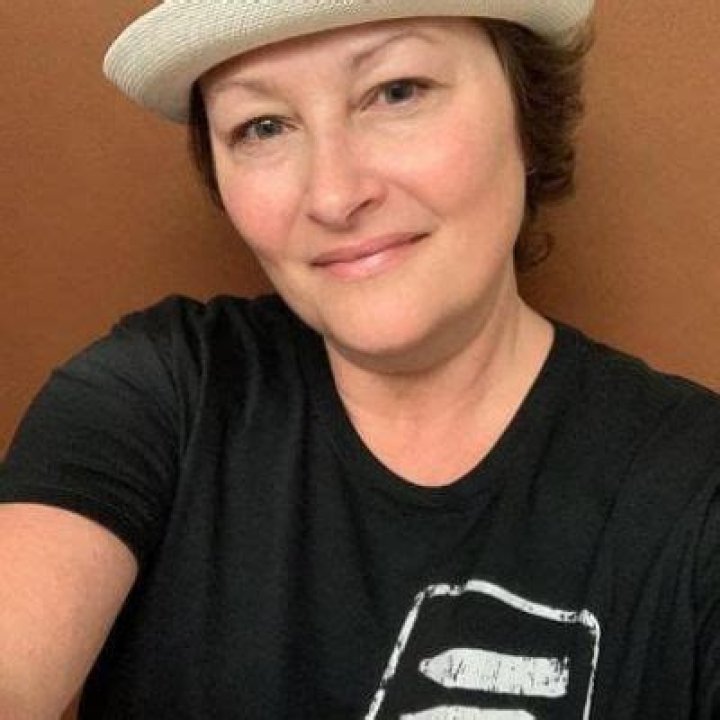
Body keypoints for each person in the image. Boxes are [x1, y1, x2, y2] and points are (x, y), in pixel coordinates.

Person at [1, 1, 718, 718]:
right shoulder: (158, 393)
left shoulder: (694, 481)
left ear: (526, 115)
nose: (335, 196)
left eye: (397, 91)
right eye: (263, 126)